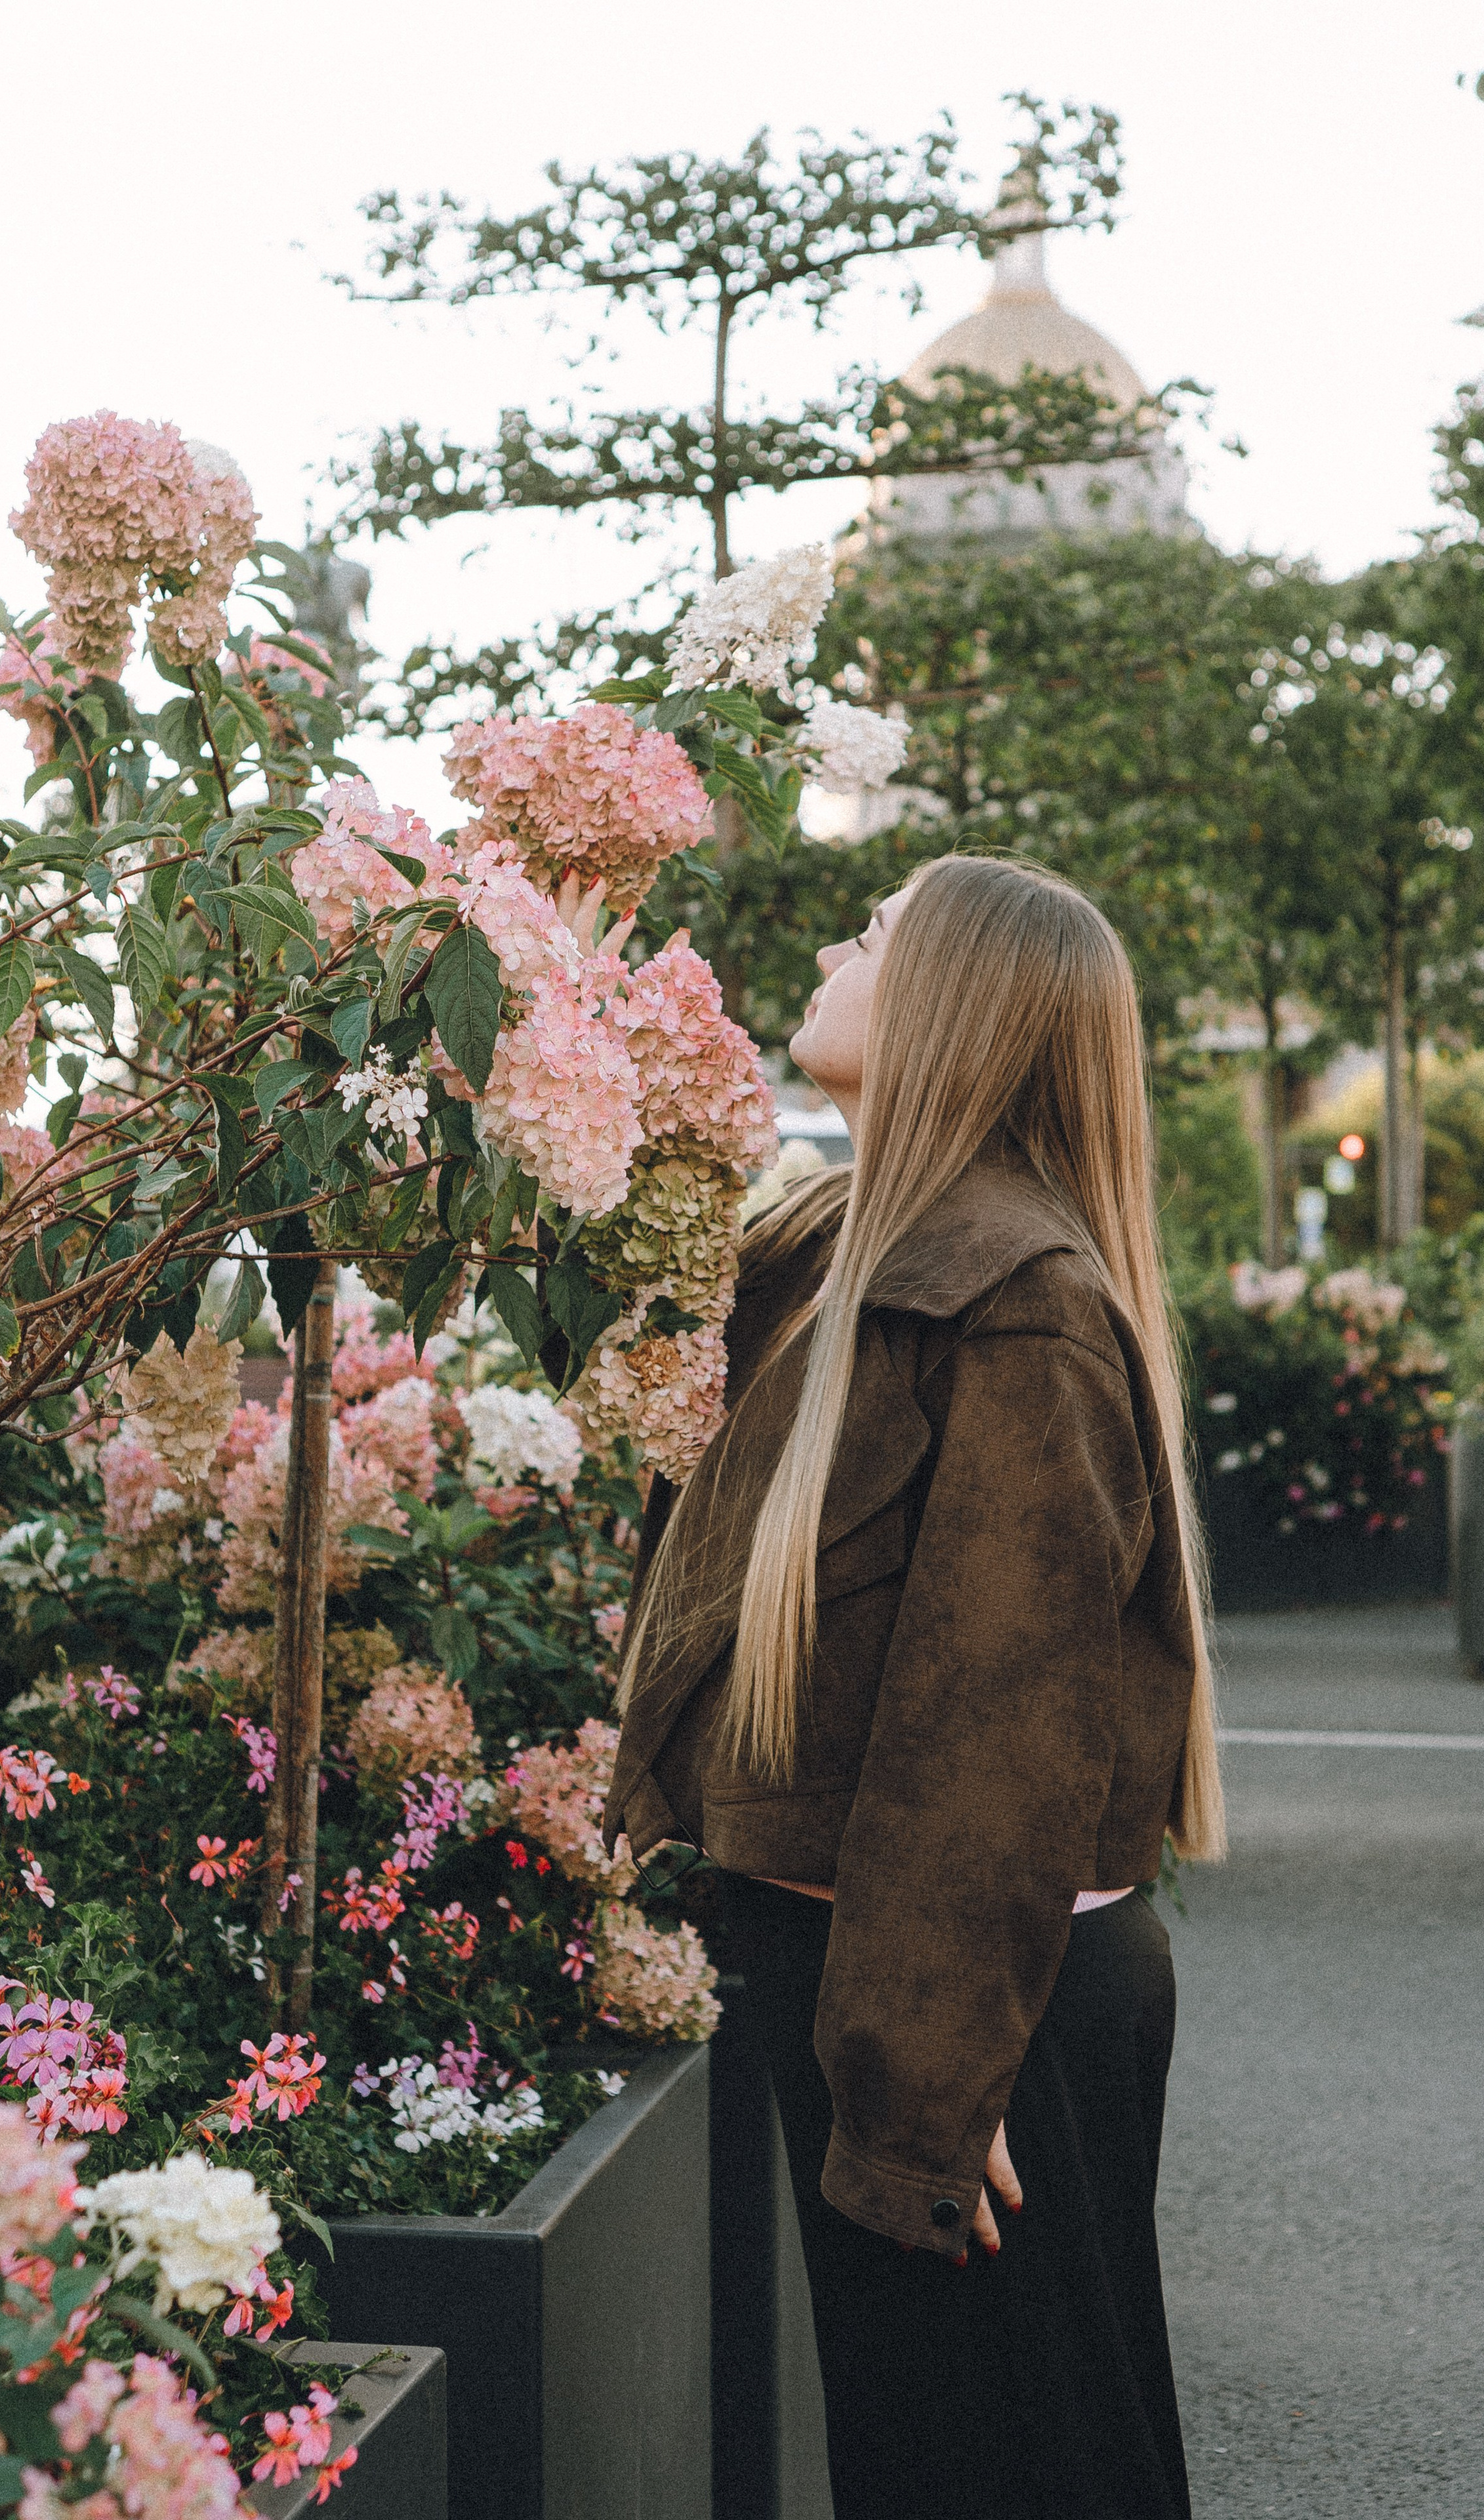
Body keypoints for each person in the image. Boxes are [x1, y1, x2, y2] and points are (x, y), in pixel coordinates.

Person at [601, 855, 1224, 2519]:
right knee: (935, 2459)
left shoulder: (1017, 1300)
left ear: (952, 997)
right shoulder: (836, 1248)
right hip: (876, 1961)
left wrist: (931, 2091)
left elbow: (998, 1729)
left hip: (970, 1990)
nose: (829, 943)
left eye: (872, 933)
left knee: (1018, 2466)